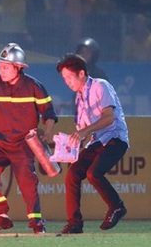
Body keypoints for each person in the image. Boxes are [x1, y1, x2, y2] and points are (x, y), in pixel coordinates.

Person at [0, 43, 57, 234]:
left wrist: (47, 132)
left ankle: (36, 222)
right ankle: (1, 217)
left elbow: (48, 113)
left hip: (24, 144)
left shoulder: (33, 86)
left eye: (6, 67)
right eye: (0, 66)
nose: (2, 70)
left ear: (19, 67)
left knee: (27, 181)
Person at [55, 53, 130, 234]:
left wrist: (83, 132)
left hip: (115, 138)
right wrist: (67, 151)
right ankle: (74, 223)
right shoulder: (79, 97)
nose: (67, 82)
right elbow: (82, 131)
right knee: (72, 174)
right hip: (97, 141)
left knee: (93, 173)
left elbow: (109, 118)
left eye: (69, 77)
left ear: (81, 73)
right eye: (64, 79)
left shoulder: (100, 86)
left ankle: (117, 206)